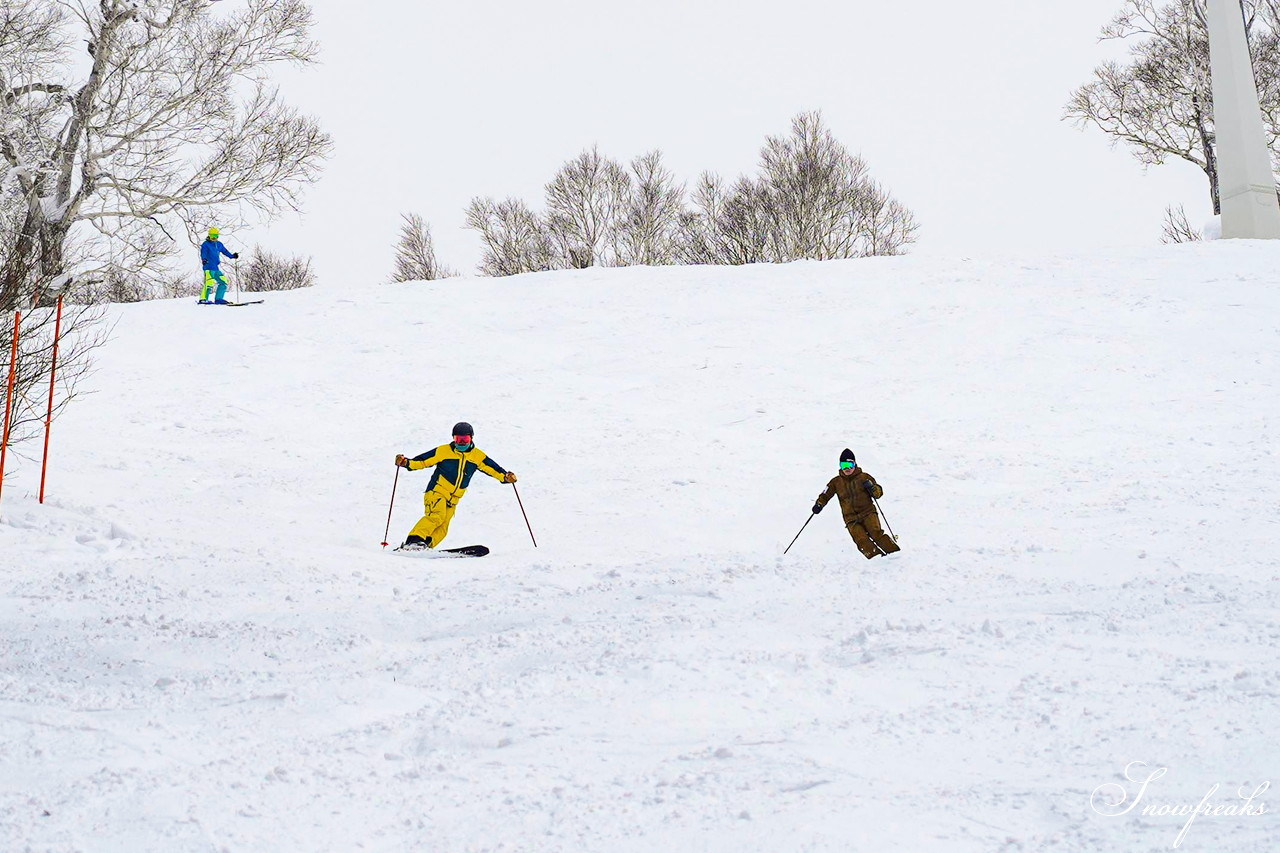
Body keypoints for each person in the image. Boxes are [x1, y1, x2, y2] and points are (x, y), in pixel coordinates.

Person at [394, 422, 516, 550]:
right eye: (458, 439)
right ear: (453, 438)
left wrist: (505, 477)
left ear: (471, 438)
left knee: (443, 528)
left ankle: (425, 546)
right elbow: (422, 461)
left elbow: (493, 468)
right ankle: (413, 541)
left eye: (465, 439)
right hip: (437, 492)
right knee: (436, 516)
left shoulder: (477, 456)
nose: (462, 443)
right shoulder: (443, 451)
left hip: (453, 500)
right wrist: (406, 462)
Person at [812, 448, 900, 559]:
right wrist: (819, 504)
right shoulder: (836, 482)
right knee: (860, 539)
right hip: (850, 518)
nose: (847, 468)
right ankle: (875, 558)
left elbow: (878, 493)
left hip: (868, 512)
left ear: (855, 464)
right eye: (844, 465)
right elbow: (825, 494)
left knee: (876, 532)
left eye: (850, 464)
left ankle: (894, 554)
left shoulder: (864, 477)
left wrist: (872, 488)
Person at [198, 227, 239, 305]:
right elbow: (203, 253)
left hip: (216, 268)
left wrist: (232, 256)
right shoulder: (206, 244)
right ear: (209, 236)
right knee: (209, 283)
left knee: (223, 282)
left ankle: (218, 299)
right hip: (208, 267)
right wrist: (204, 259)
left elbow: (225, 251)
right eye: (213, 236)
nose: (214, 238)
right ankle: (203, 299)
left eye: (216, 236)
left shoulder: (219, 244)